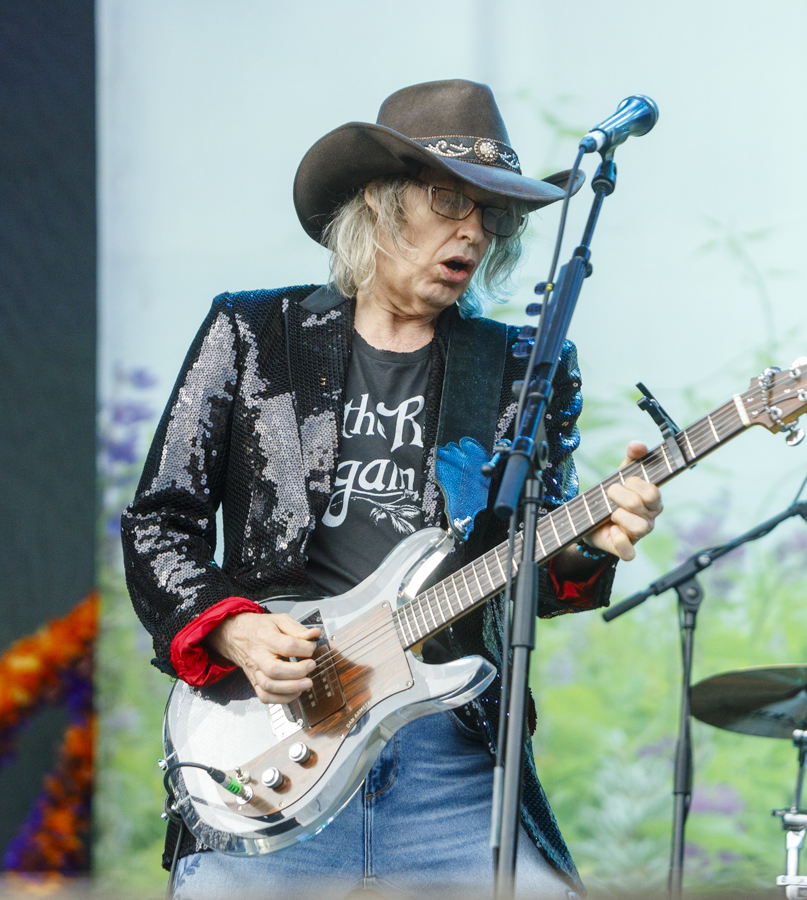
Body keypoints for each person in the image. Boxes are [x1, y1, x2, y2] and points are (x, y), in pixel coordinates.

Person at [122, 79, 663, 900]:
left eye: (493, 215)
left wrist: (592, 540)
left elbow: (534, 578)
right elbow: (161, 523)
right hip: (272, 740)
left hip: (450, 760)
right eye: (450, 201)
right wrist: (233, 631)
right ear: (379, 203)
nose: (474, 232)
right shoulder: (252, 334)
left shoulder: (520, 365)